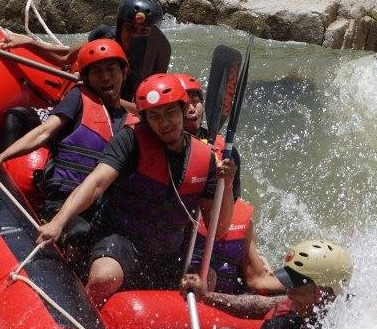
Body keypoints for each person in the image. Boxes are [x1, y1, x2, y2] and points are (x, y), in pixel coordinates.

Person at [37, 73, 235, 306]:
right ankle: (82, 312)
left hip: (168, 253)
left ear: (183, 110)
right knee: (104, 277)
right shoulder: (130, 140)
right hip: (122, 241)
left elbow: (219, 229)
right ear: (145, 119)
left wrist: (228, 185)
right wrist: (58, 222)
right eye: (155, 116)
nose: (164, 123)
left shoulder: (206, 159)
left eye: (170, 113)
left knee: (207, 279)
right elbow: (96, 183)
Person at [0, 39, 134, 249]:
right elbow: (43, 132)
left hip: (100, 213)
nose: (106, 77)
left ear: (124, 72)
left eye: (111, 69)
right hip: (60, 203)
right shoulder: (79, 98)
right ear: (86, 78)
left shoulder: (133, 124)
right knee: (81, 233)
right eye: (97, 72)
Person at [182, 239, 352, 329]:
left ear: (319, 291)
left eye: (294, 284)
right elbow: (257, 305)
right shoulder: (310, 301)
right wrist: (206, 296)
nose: (288, 290)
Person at [88, 0, 170, 102]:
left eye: (143, 31)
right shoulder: (105, 36)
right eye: (130, 28)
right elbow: (71, 54)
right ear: (120, 27)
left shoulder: (155, 58)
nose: (135, 35)